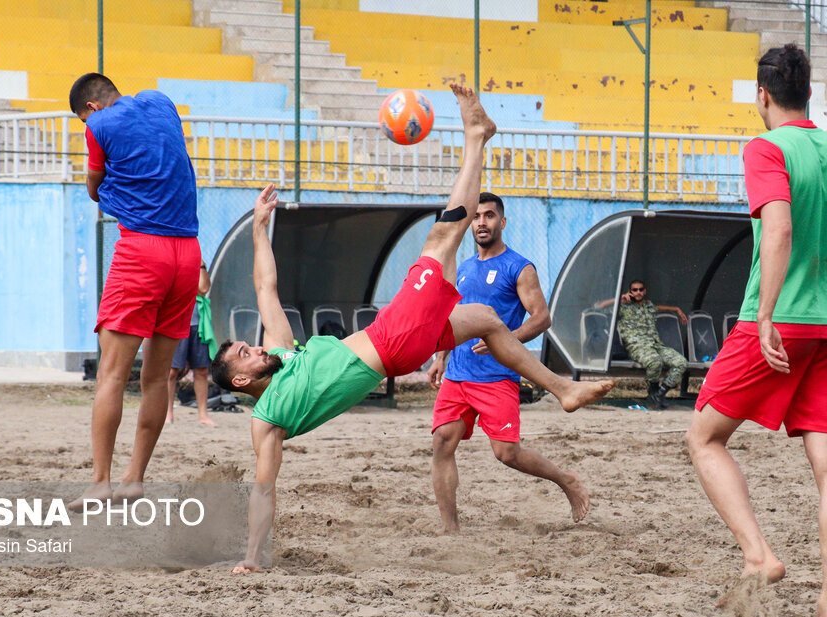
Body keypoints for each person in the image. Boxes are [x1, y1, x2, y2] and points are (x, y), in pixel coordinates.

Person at [208, 84, 614, 573]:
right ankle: (475, 136)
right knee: (444, 235)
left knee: (486, 318)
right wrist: (253, 557)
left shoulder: (284, 355)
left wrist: (257, 227)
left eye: (248, 345)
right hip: (391, 340)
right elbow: (264, 487)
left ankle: (560, 388)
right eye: (244, 355)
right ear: (240, 382)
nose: (254, 348)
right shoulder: (268, 417)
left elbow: (265, 288)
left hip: (396, 339)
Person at [684, 44, 827, 617]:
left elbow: (780, 227)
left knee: (705, 437)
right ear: (809, 93)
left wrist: (766, 315)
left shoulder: (766, 147)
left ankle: (759, 555)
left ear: (762, 96)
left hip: (779, 323)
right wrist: (826, 292)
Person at [67, 73, 202, 510]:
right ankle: (134, 479)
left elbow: (94, 187)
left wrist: (103, 186)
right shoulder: (160, 103)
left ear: (90, 108)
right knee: (156, 378)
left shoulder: (98, 126)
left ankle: (101, 483)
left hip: (143, 250)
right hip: (187, 253)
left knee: (111, 373)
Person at [428, 191, 588, 533]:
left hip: (496, 377)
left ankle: (565, 480)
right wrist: (440, 357)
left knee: (507, 454)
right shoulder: (465, 267)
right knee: (442, 441)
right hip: (457, 375)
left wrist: (505, 340)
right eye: (476, 217)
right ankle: (449, 529)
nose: (481, 222)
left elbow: (542, 318)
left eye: (488, 216)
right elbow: (451, 316)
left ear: (502, 222)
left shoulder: (519, 266)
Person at [600, 280, 688, 409]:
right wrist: (620, 298)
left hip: (656, 345)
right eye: (634, 290)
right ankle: (653, 391)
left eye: (641, 289)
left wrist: (677, 310)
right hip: (637, 347)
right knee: (655, 362)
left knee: (681, 362)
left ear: (644, 291)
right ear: (630, 292)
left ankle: (659, 394)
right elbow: (599, 306)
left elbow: (661, 308)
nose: (638, 292)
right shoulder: (623, 308)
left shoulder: (649, 306)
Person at [166, 261, 218, 426]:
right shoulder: (173, 263)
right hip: (176, 322)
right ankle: (168, 413)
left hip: (198, 325)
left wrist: (201, 266)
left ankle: (203, 415)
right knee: (172, 372)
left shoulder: (197, 263)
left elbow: (203, 289)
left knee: (201, 371)